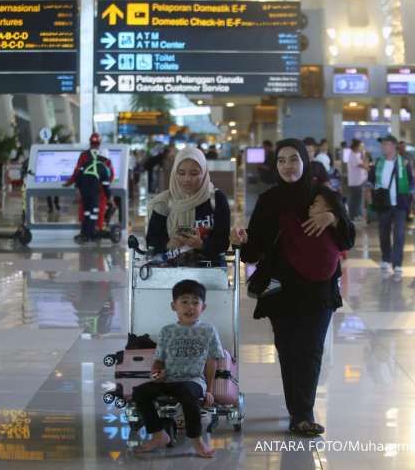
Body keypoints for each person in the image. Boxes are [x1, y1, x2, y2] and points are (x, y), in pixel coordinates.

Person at [230, 138, 355, 436]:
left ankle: (303, 414)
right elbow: (254, 251)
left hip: (319, 288)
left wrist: (332, 218)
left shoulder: (325, 196)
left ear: (305, 161)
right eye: (282, 161)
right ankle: (297, 411)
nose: (288, 166)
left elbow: (348, 238)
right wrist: (241, 242)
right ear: (276, 165)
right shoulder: (269, 200)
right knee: (288, 350)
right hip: (281, 287)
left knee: (311, 350)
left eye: (294, 159)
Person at [133, 279, 224, 458]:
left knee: (187, 392)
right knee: (140, 392)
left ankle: (196, 440)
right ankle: (159, 435)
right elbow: (159, 360)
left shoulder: (208, 330)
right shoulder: (167, 331)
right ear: (173, 306)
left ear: (203, 307)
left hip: (194, 381)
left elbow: (213, 360)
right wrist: (156, 374)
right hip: (169, 379)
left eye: (195, 302)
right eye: (184, 302)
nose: (190, 307)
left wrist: (210, 390)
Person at [146, 146, 230, 262]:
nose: (187, 179)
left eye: (194, 173)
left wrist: (201, 244)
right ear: (174, 173)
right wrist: (168, 244)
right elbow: (151, 241)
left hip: (208, 271)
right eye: (181, 173)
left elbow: (223, 242)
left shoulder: (216, 200)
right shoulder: (164, 202)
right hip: (169, 271)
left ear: (204, 173)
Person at [368, 135, 415, 278]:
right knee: (383, 233)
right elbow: (370, 182)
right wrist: (369, 202)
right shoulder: (378, 162)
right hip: (383, 204)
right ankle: (386, 258)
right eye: (382, 144)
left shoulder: (404, 162)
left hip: (400, 204)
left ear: (393, 146)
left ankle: (397, 264)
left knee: (399, 235)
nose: (383, 147)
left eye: (386, 144)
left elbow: (412, 183)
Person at [64, 133, 113, 243]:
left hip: (92, 189)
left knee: (93, 211)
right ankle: (90, 232)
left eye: (96, 143)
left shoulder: (87, 156)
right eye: (93, 143)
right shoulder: (97, 157)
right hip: (96, 189)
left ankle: (92, 231)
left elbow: (77, 173)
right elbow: (110, 174)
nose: (95, 145)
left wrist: (74, 184)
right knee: (91, 211)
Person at [346, 139, 369, 221]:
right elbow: (365, 166)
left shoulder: (356, 155)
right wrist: (365, 155)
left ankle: (355, 216)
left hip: (359, 182)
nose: (362, 148)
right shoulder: (353, 156)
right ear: (356, 147)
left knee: (357, 201)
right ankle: (353, 217)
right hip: (356, 183)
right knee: (355, 201)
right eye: (361, 146)